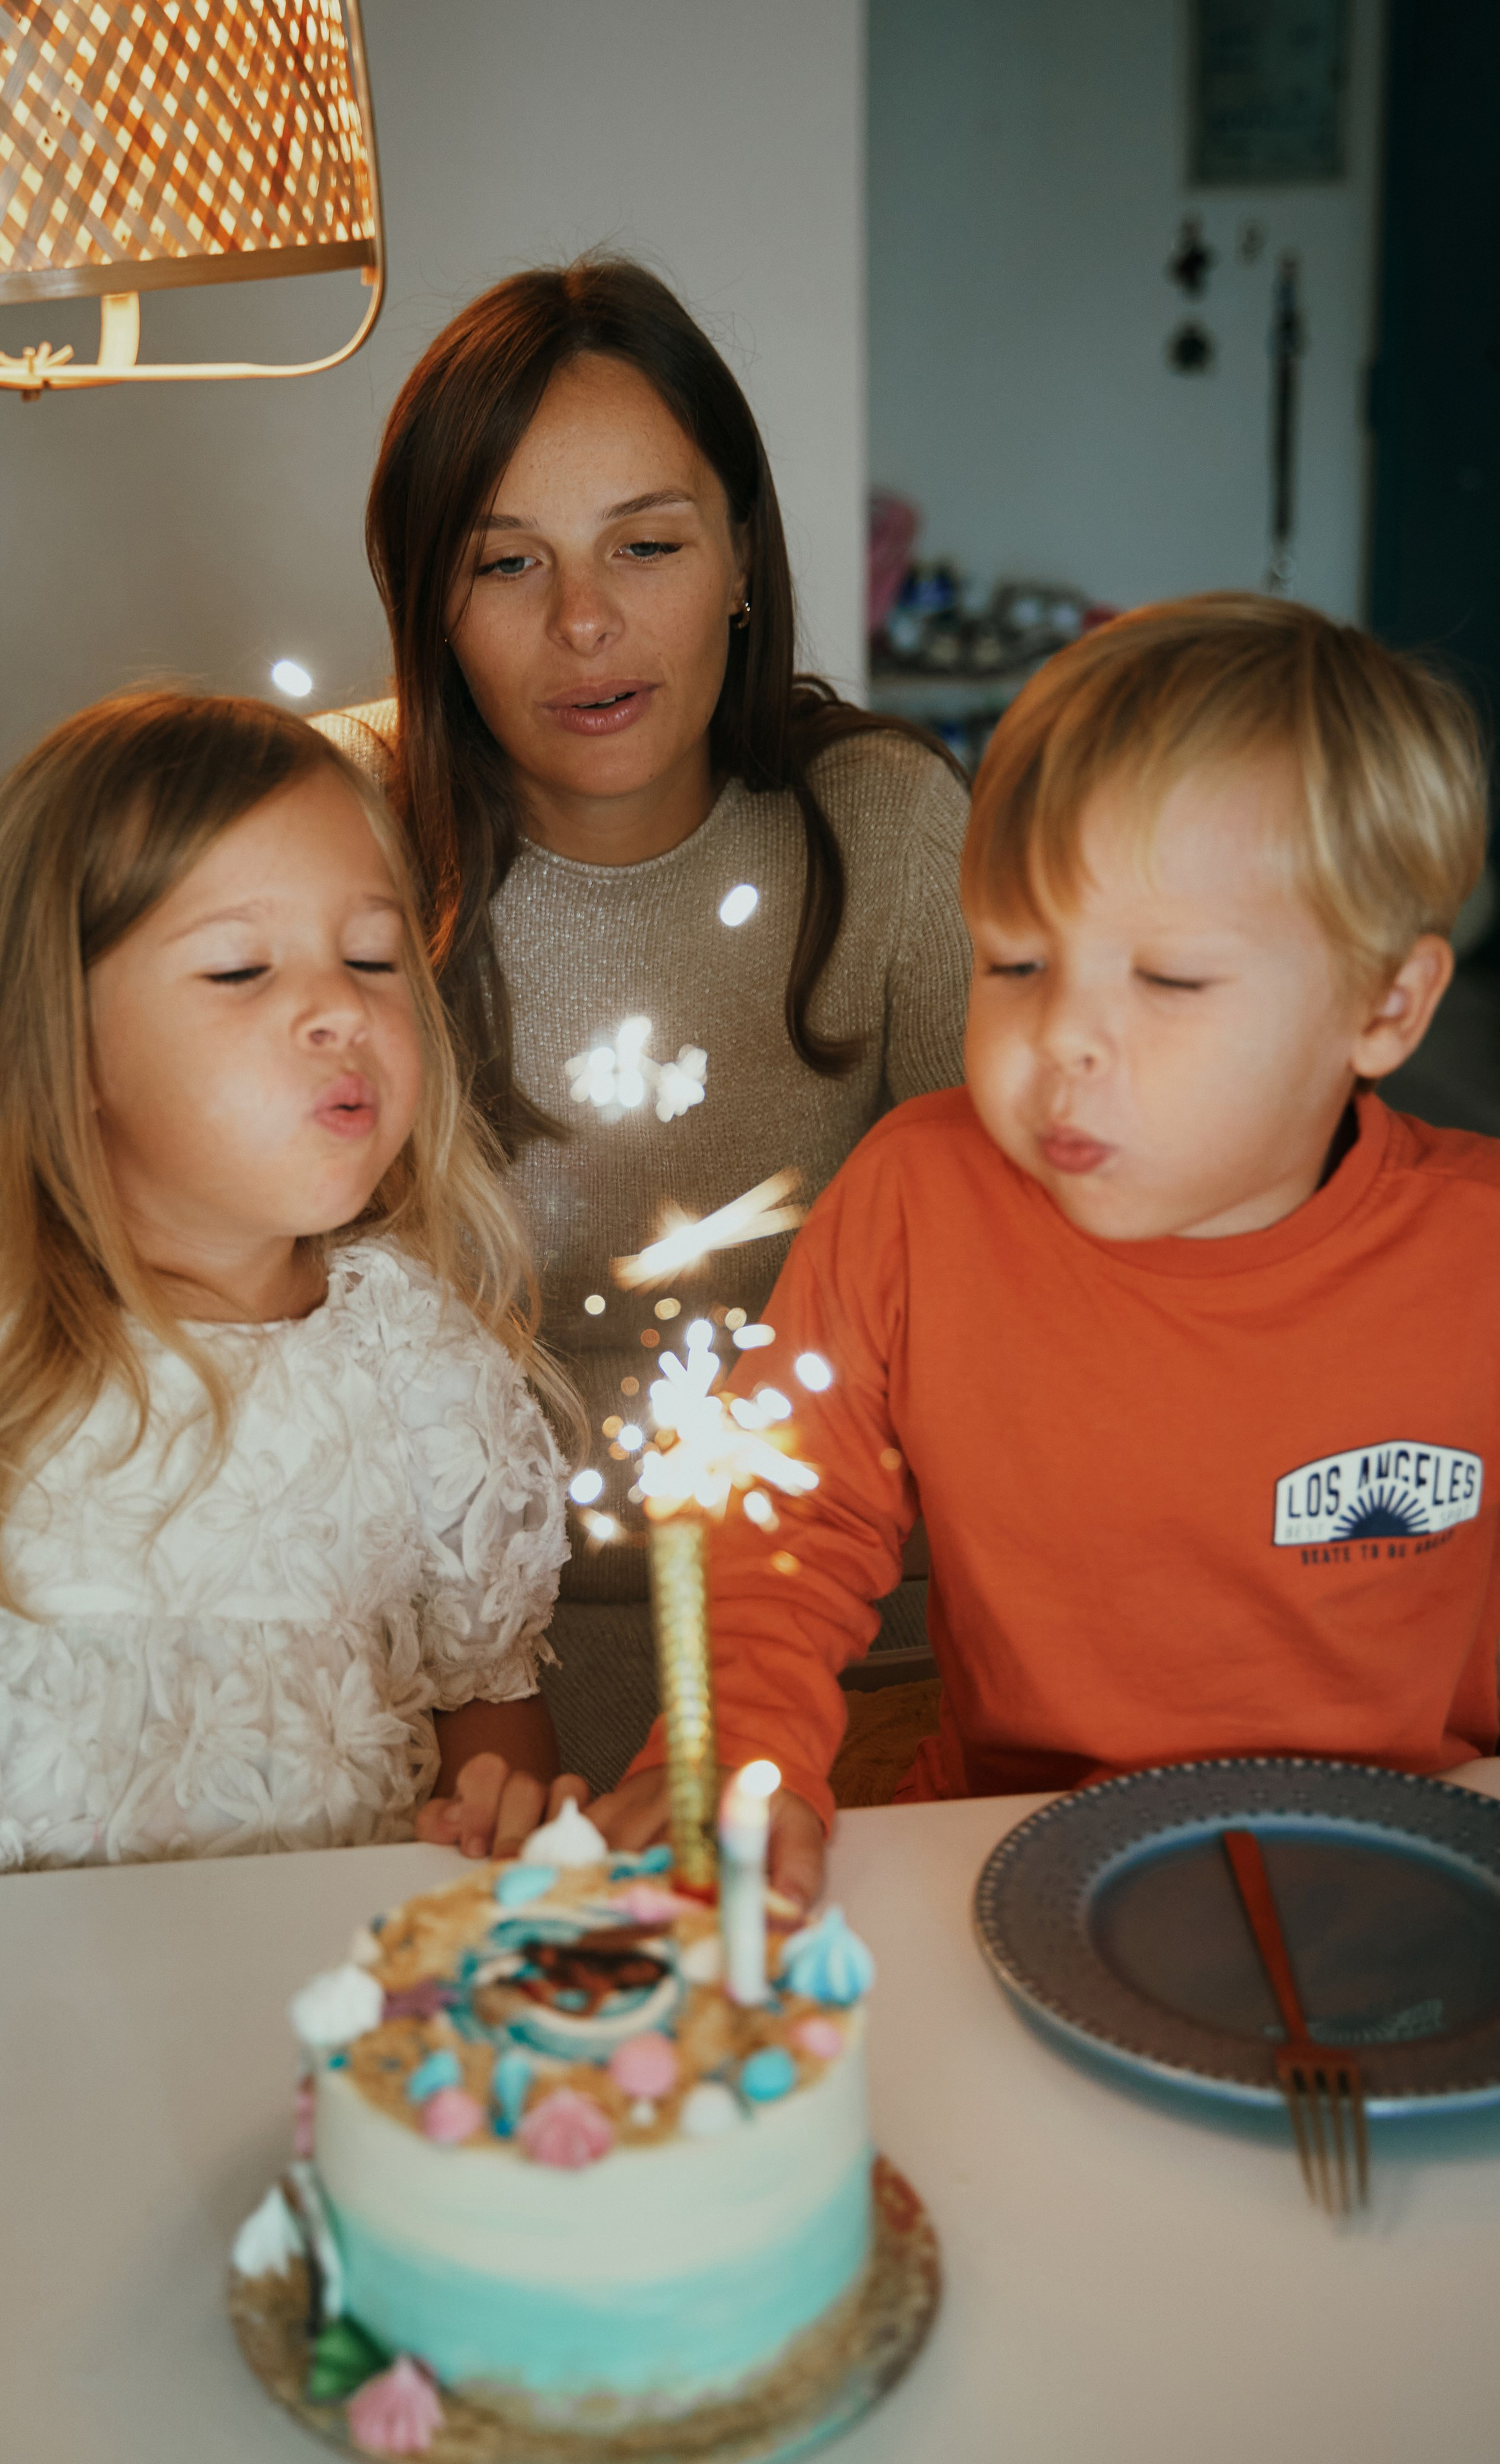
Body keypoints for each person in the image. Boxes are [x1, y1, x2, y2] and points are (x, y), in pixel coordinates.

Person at [594, 594, 1500, 1901]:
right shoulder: (918, 1204)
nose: (1062, 1042)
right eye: (1015, 963)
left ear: (1383, 1006)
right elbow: (784, 1526)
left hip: (1400, 1880)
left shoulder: (1499, 1254)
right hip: (1013, 1857)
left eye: (1167, 982)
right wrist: (742, 1749)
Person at [325, 256, 971, 1792]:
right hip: (413, 1662)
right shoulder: (322, 817)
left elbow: (1044, 1261)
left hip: (838, 1641)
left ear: (740, 557)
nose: (586, 623)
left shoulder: (879, 828)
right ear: (426, 599)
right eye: (505, 565)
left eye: (647, 544)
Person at [0, 692, 583, 1884]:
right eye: (239, 969)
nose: (341, 1007)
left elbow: (487, 1703)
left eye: (373, 957)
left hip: (313, 2002)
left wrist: (500, 1807)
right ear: (62, 1044)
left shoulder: (421, 1372)